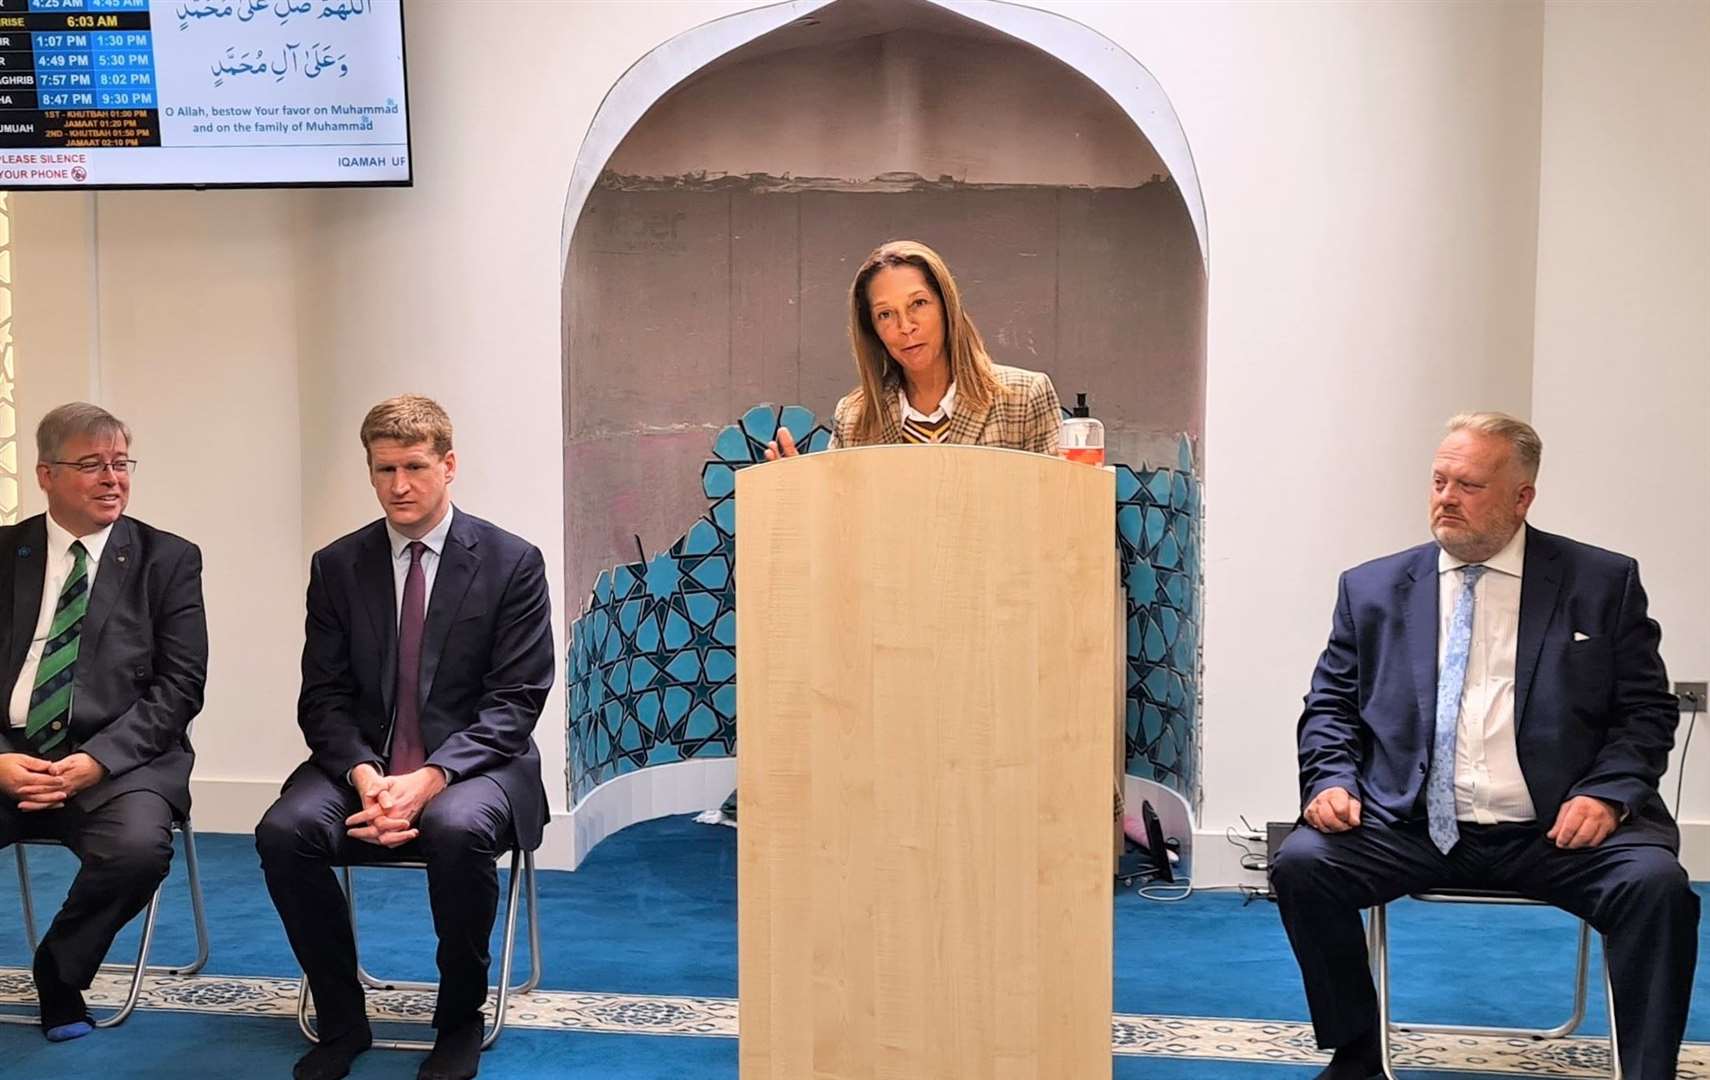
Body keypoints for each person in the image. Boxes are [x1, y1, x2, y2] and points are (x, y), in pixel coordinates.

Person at [1270, 412, 1699, 1080]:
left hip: (1557, 829)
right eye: (1439, 479)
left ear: (1522, 497)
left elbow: (1643, 711)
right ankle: (1357, 1051)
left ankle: (1648, 1073)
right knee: (1302, 864)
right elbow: (1330, 705)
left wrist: (1607, 794)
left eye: (1468, 484)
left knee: (1658, 889)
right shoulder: (1373, 588)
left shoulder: (1601, 582)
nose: (1445, 496)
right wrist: (1330, 780)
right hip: (1412, 822)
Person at [256, 395, 553, 1080]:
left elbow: (515, 703)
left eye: (415, 467)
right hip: (363, 767)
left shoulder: (512, 562)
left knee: (454, 827)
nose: (399, 486)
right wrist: (366, 775)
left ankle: (457, 1020)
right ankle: (341, 1016)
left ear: (449, 466)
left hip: (480, 766)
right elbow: (322, 698)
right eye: (384, 469)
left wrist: (429, 779)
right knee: (283, 831)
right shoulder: (338, 566)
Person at [0, 402, 207, 1042]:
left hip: (120, 761)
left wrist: (96, 761)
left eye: (120, 463)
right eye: (91, 465)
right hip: (9, 754)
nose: (111, 478)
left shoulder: (166, 559)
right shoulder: (6, 553)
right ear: (45, 475)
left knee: (138, 850)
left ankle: (60, 973)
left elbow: (180, 687)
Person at [765, 238, 1062, 459]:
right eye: (885, 314)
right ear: (872, 330)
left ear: (947, 307)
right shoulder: (855, 417)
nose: (905, 326)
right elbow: (842, 529)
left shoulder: (1024, 397)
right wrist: (801, 500)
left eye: (918, 304)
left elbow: (1060, 518)